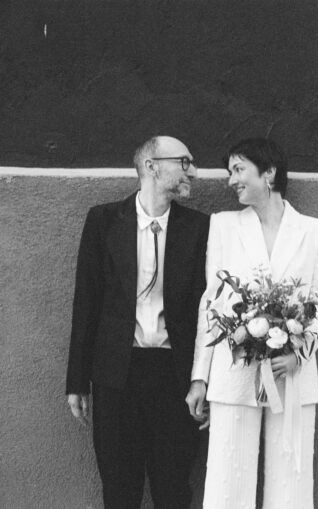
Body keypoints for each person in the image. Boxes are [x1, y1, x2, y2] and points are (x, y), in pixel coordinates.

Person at [185, 137, 318, 509]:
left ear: (268, 173)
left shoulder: (314, 231)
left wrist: (299, 354)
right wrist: (200, 377)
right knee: (227, 478)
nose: (231, 180)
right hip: (235, 368)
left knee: (291, 479)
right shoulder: (223, 226)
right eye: (230, 172)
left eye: (239, 170)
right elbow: (211, 304)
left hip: (291, 374)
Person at [66, 136, 210, 509]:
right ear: (151, 166)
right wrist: (77, 380)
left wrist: (203, 379)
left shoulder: (199, 228)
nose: (193, 171)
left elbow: (208, 309)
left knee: (173, 489)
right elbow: (87, 301)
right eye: (184, 162)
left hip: (174, 377)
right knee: (119, 489)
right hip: (117, 376)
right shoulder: (103, 221)